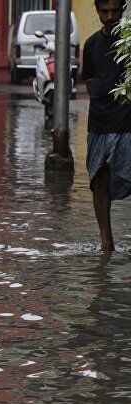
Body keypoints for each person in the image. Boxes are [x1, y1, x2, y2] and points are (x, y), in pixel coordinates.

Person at [84, 0, 130, 252]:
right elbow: (90, 82)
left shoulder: (129, 43)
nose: (110, 16)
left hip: (128, 123)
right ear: (97, 11)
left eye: (115, 11)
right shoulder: (91, 44)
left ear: (124, 9)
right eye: (105, 12)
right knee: (99, 180)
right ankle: (106, 243)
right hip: (100, 123)